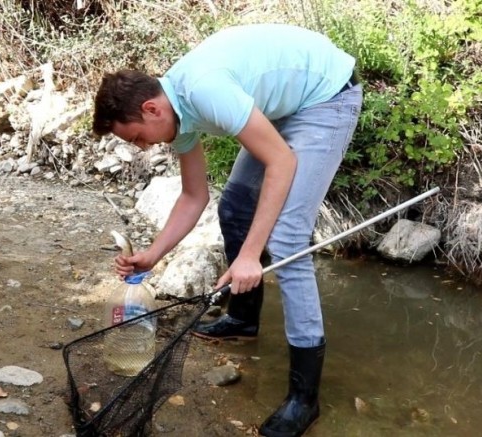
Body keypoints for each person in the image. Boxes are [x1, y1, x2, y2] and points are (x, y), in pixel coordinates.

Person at [92, 23, 362, 437]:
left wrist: (251, 256)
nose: (144, 147)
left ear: (151, 109)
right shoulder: (177, 112)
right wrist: (152, 255)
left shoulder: (204, 90)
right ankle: (243, 318)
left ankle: (304, 399)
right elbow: (193, 196)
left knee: (287, 238)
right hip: (285, 103)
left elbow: (282, 164)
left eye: (138, 138)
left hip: (327, 97)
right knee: (235, 204)